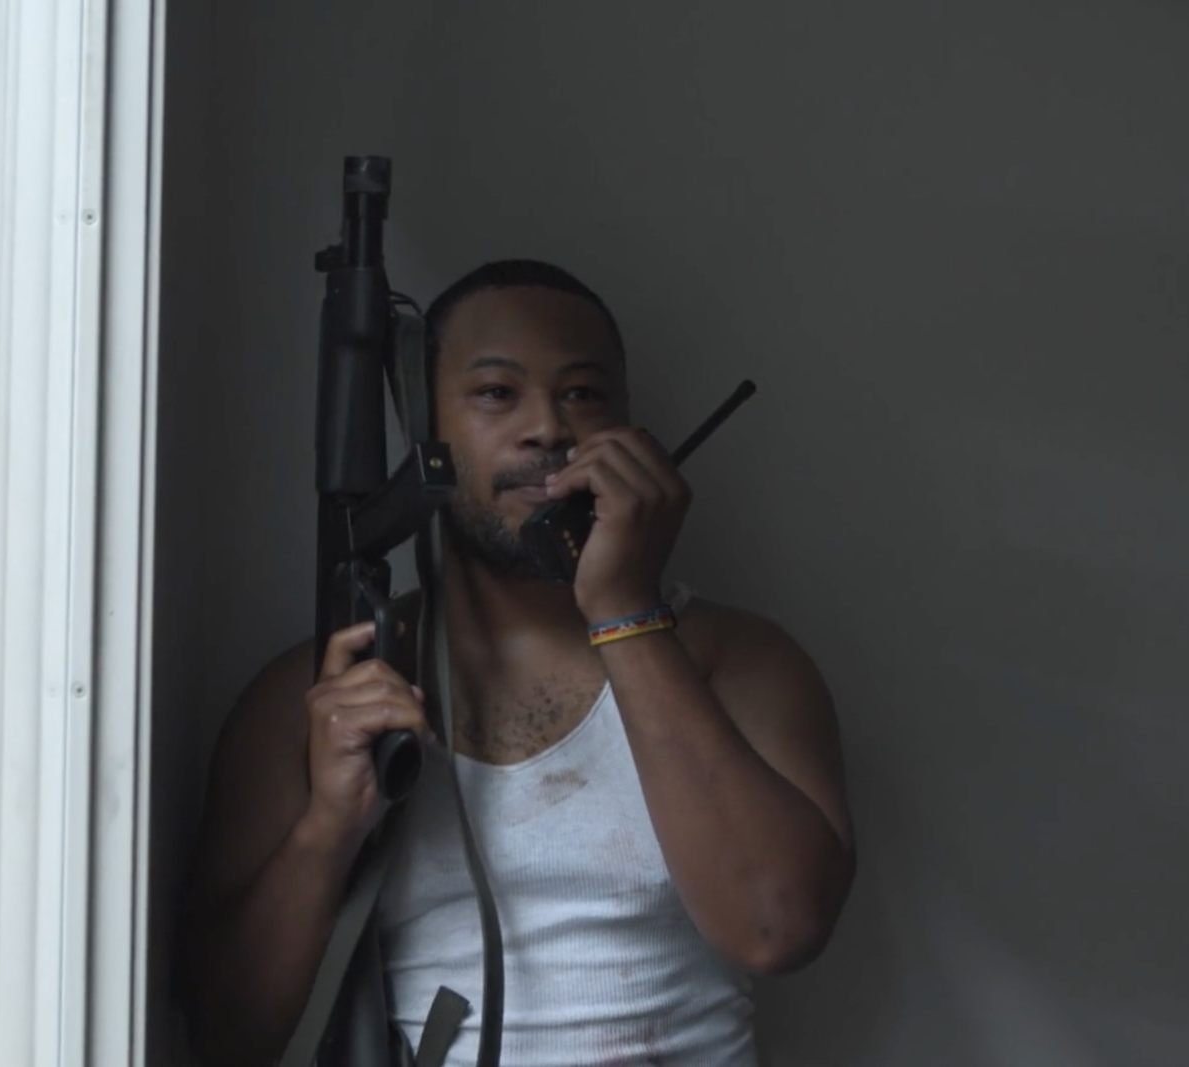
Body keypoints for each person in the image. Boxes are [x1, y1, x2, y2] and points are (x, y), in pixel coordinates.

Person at [175, 260, 856, 1065]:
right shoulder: (322, 692)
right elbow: (223, 1034)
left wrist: (625, 610)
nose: (547, 428)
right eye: (497, 392)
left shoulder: (739, 660)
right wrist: (329, 827)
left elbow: (775, 929)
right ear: (424, 427)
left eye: (583, 393)